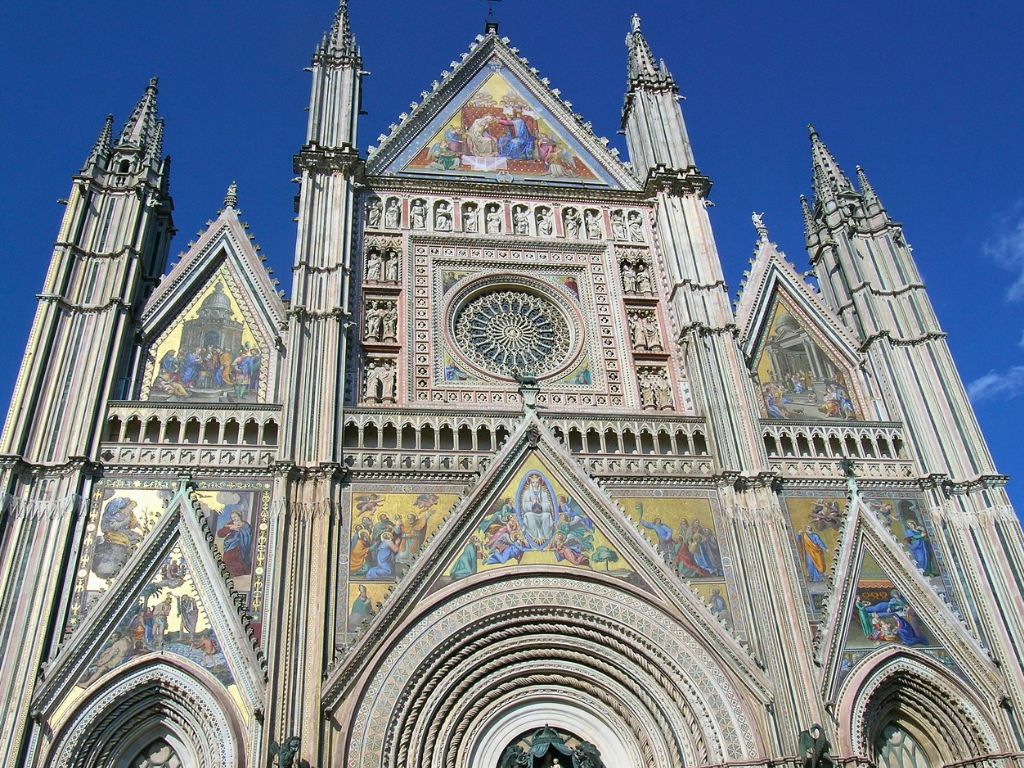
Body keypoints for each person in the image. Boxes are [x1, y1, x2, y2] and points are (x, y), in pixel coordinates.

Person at [218, 509, 253, 577]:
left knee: (236, 559)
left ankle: (239, 574)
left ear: (239, 516)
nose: (234, 518)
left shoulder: (245, 525)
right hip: (229, 545)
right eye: (232, 517)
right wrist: (230, 528)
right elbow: (220, 534)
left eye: (235, 516)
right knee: (226, 559)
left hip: (239, 546)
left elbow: (247, 534)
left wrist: (238, 529)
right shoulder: (231, 524)